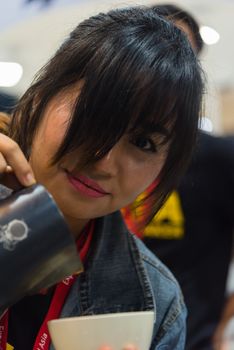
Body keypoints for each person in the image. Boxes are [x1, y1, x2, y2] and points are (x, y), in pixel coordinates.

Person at [0, 5, 204, 350]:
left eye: (143, 142)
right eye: (93, 113)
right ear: (40, 97)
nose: (103, 160)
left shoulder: (155, 303)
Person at [126, 4, 234, 350]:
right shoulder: (105, 150)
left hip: (191, 336)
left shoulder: (218, 157)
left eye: (177, 50)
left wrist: (221, 326)